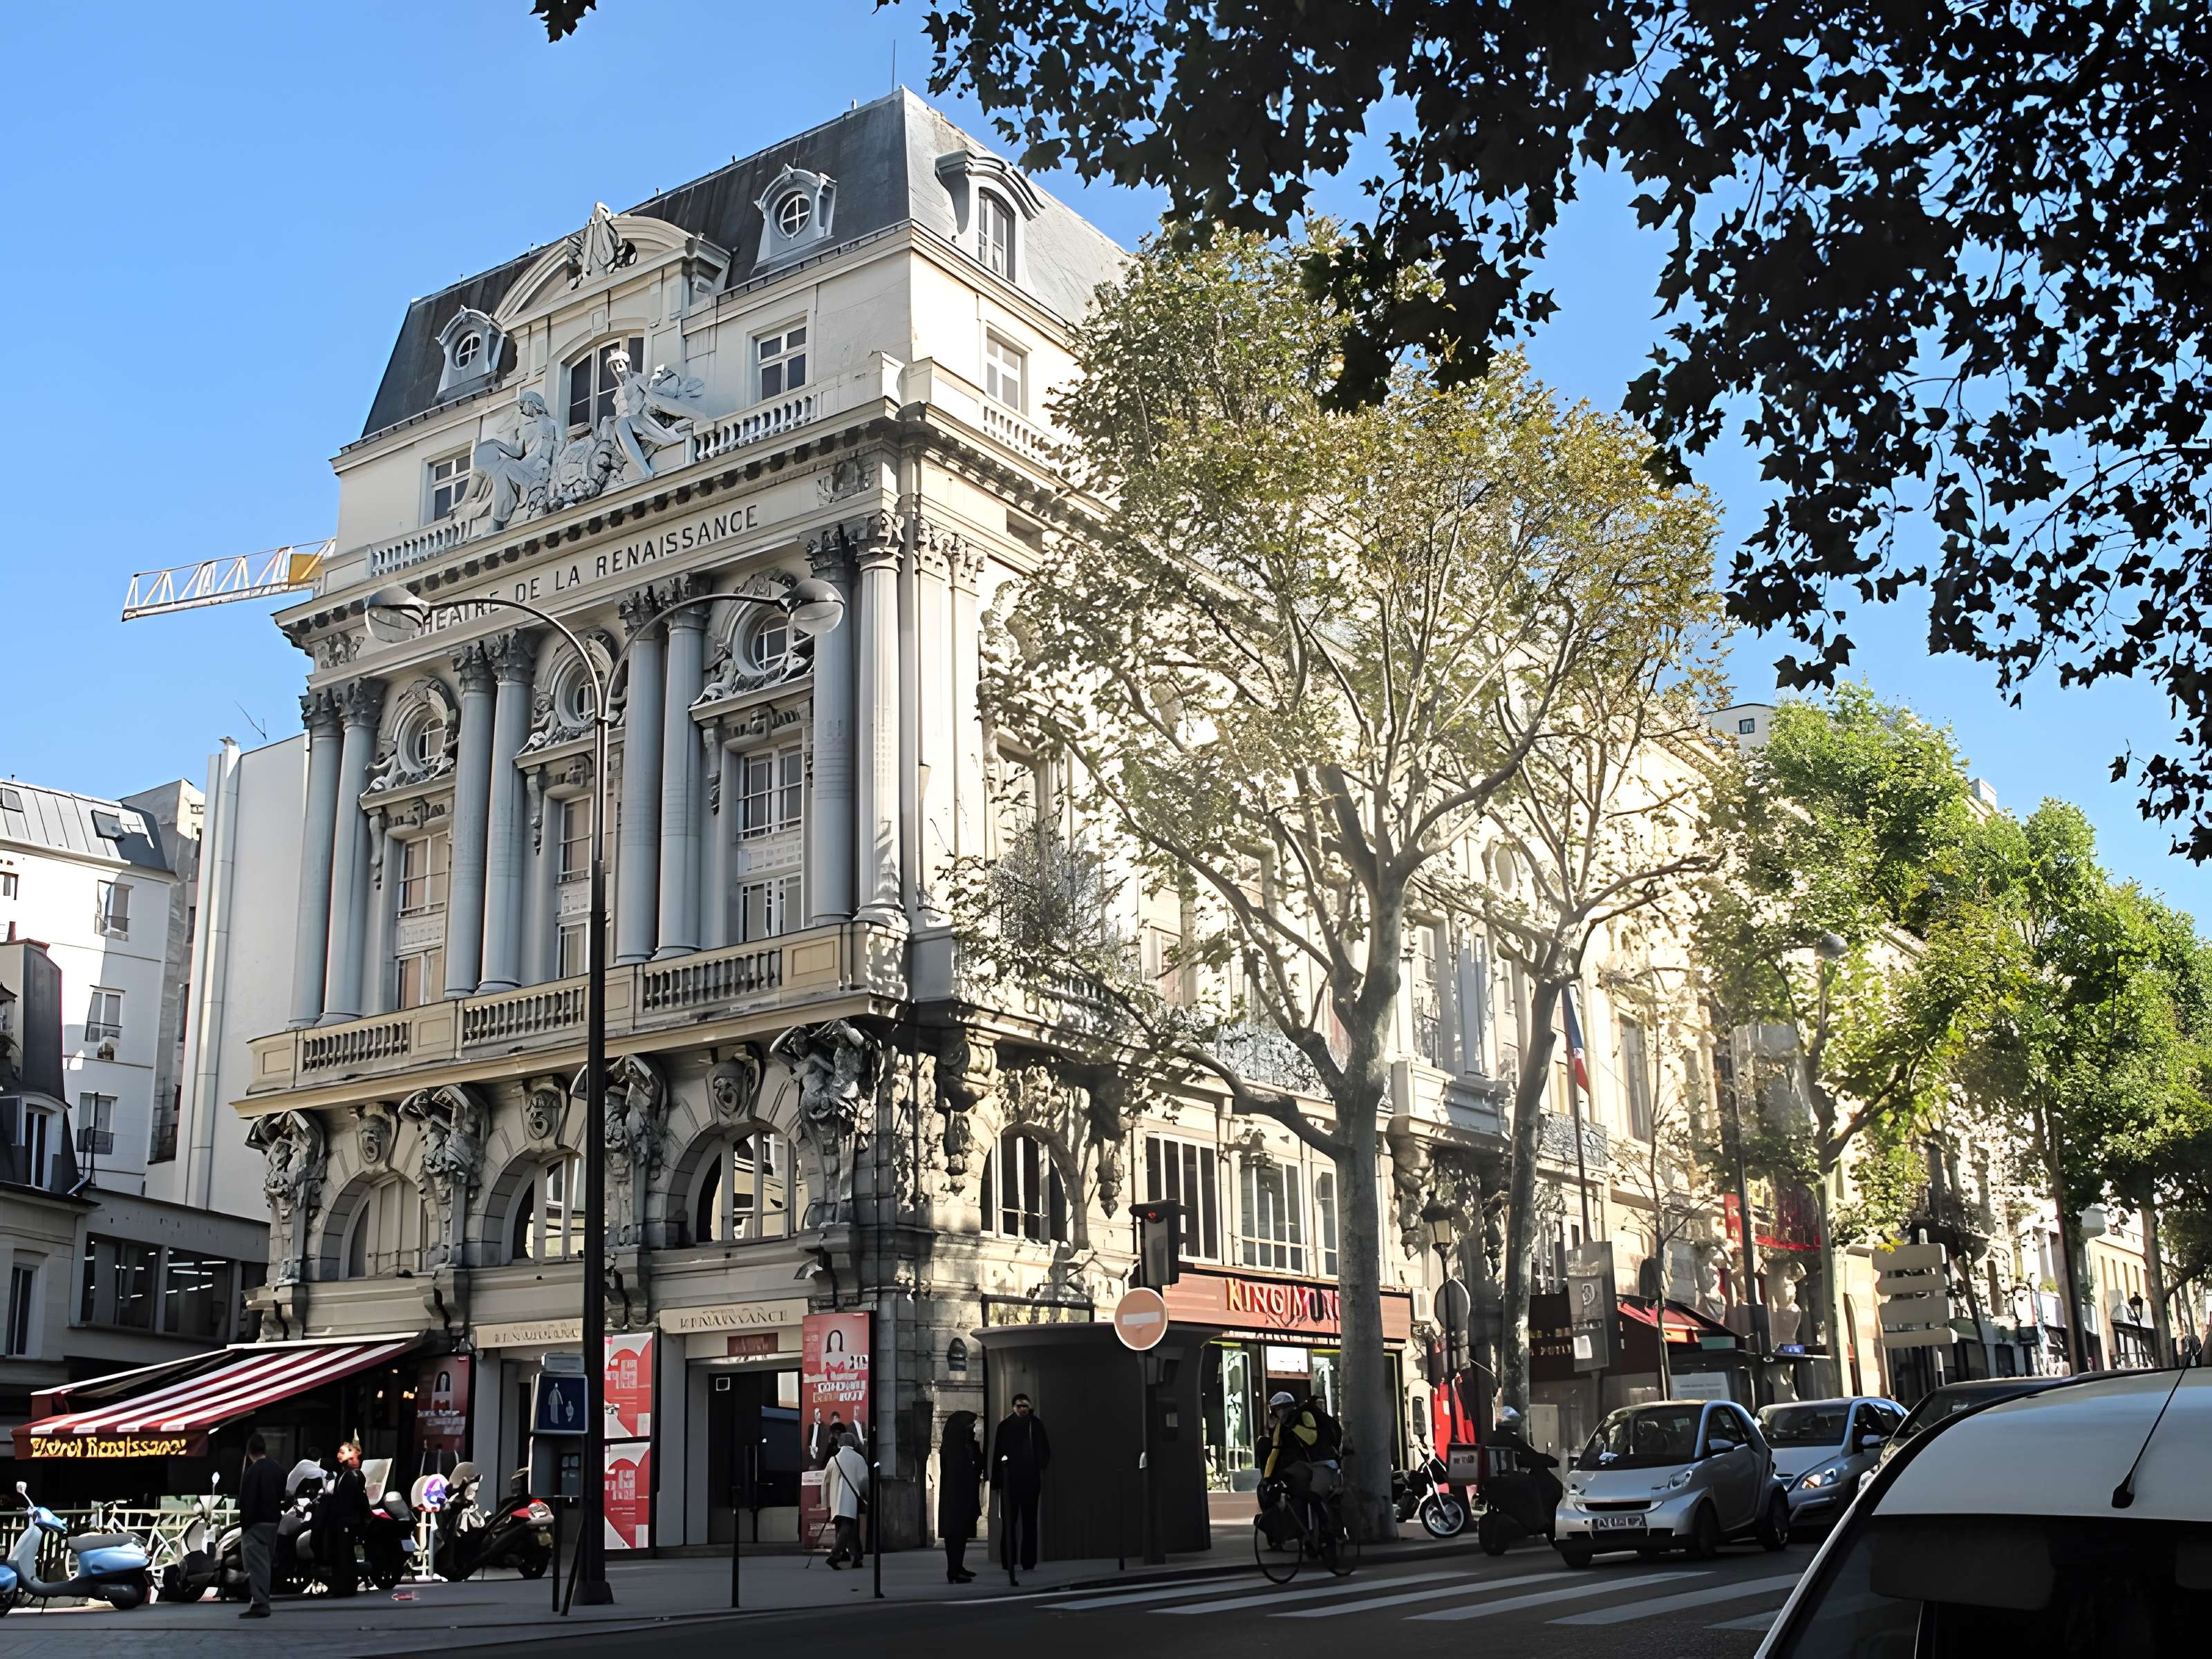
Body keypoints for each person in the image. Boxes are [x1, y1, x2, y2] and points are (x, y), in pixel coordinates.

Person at [990, 1392, 1051, 1584]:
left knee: (1028, 1521)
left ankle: (1027, 1560)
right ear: (1013, 1407)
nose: (1022, 1409)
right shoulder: (1007, 1426)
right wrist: (998, 1480)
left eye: (1025, 1406)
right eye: (1019, 1406)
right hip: (1012, 1480)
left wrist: (1038, 1465)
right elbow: (998, 1453)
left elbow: (1044, 1450)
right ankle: (1010, 1559)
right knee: (1010, 1521)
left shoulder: (1035, 1424)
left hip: (1028, 1479)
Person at [1263, 1391, 1329, 1539]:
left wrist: (1294, 1426)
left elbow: (1311, 1439)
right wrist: (1267, 1477)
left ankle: (1325, 1528)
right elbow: (1275, 1451)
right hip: (1300, 1468)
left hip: (1320, 1464)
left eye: (1276, 1410)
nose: (1276, 1415)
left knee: (1314, 1496)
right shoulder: (1281, 1426)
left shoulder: (1304, 1415)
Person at [237, 1434, 283, 1620]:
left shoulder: (252, 1472)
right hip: (273, 1523)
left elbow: (247, 1502)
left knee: (257, 1566)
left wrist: (245, 1527)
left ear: (249, 1452)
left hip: (255, 1524)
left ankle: (260, 1603)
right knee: (266, 1564)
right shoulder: (278, 1469)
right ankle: (262, 1600)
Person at [937, 1412, 982, 1584]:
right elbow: (956, 1473)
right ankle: (953, 1569)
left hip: (965, 1494)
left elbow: (979, 1464)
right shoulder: (952, 1448)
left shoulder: (968, 1445)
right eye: (969, 1426)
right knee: (955, 1533)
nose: (972, 1429)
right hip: (955, 1497)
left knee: (962, 1532)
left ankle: (958, 1566)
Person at [319, 1440, 367, 1594]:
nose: (340, 1455)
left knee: (346, 1554)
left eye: (344, 1452)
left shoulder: (352, 1476)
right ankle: (343, 1584)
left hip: (348, 1520)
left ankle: (347, 1586)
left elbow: (359, 1499)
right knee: (343, 1553)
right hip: (342, 1520)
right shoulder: (343, 1475)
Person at [823, 1428, 870, 1568]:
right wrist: (865, 1496)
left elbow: (825, 1482)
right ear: (853, 1443)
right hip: (852, 1500)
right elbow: (864, 1481)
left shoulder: (833, 1459)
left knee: (847, 1529)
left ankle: (857, 1557)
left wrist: (826, 1503)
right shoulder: (859, 1459)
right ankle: (835, 1556)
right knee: (848, 1528)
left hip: (836, 1500)